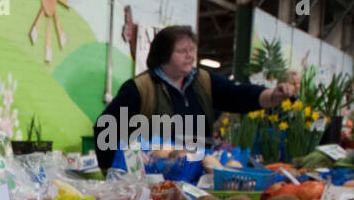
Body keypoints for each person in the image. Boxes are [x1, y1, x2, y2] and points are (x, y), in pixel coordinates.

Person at [93, 25, 295, 170]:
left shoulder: (203, 81)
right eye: (182, 51)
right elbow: (105, 126)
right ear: (163, 55)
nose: (190, 55)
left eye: (192, 50)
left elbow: (237, 95)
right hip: (155, 181)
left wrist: (271, 96)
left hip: (198, 176)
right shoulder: (140, 88)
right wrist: (112, 172)